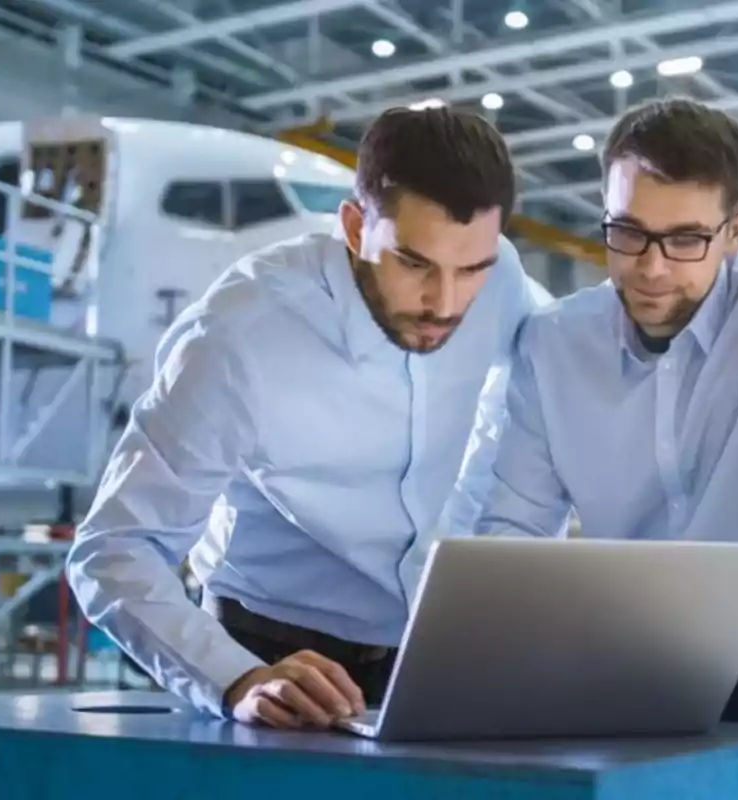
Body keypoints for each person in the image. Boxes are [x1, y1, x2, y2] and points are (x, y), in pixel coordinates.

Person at [445, 98, 738, 800]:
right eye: (628, 232)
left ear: (735, 231)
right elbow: (511, 528)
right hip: (615, 678)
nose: (652, 268)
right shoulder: (553, 345)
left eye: (686, 239)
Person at [66, 106, 546, 730]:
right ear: (353, 226)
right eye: (414, 263)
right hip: (273, 651)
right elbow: (114, 549)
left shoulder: (501, 274)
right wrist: (234, 678)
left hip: (430, 649)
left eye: (471, 269)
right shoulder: (239, 336)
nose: (445, 302)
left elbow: (540, 393)